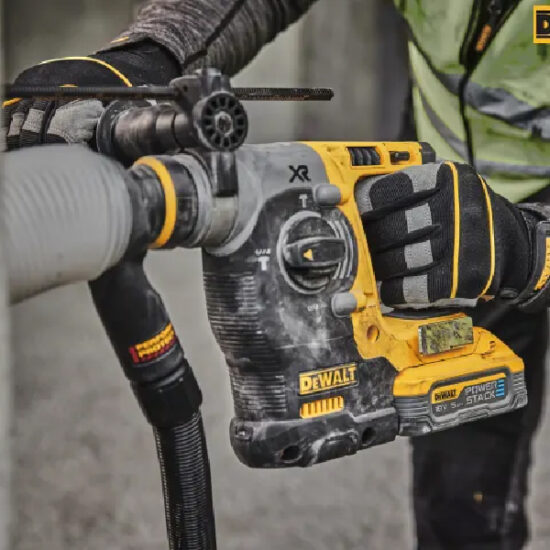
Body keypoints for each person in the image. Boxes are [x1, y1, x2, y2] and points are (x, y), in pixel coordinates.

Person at [4, 1, 550, 548]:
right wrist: (151, 56)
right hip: (443, 177)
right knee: (460, 496)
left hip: (527, 214)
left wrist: (530, 248)